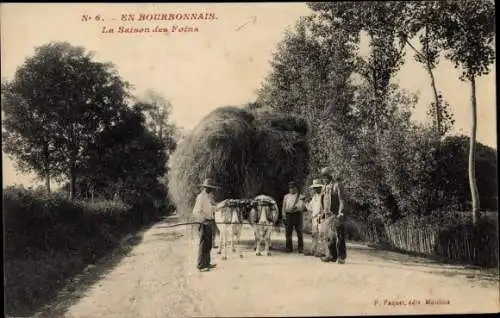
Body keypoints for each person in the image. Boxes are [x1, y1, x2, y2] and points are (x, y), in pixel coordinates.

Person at [320, 167, 347, 264]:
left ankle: (341, 257)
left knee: (339, 236)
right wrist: (322, 212)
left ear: (331, 175)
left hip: (336, 214)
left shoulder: (337, 185)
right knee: (328, 236)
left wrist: (341, 211)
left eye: (326, 176)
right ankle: (332, 255)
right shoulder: (324, 187)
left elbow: (342, 199)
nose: (325, 178)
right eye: (323, 176)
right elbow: (323, 200)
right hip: (327, 215)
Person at [192, 178, 219, 272]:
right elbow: (196, 211)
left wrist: (219, 206)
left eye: (211, 188)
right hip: (204, 223)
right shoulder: (200, 197)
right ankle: (200, 265)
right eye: (210, 188)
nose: (211, 190)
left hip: (210, 223)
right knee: (203, 244)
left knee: (209, 245)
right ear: (205, 187)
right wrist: (203, 220)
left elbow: (211, 209)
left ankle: (207, 263)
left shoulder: (208, 198)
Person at [282, 181, 307, 253]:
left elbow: (303, 206)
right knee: (288, 232)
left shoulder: (300, 196)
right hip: (288, 215)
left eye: (293, 188)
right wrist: (284, 216)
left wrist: (298, 207)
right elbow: (283, 207)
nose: (291, 189)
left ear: (296, 188)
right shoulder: (286, 196)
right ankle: (288, 248)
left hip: (297, 215)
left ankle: (300, 248)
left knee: (299, 232)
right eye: (290, 188)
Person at [305, 179, 324, 257]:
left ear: (320, 187)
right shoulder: (314, 197)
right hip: (315, 218)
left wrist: (322, 215)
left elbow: (324, 207)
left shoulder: (323, 196)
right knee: (314, 234)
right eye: (314, 188)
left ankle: (323, 251)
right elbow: (310, 208)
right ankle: (313, 250)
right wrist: (305, 202)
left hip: (321, 217)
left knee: (322, 234)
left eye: (317, 187)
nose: (315, 189)